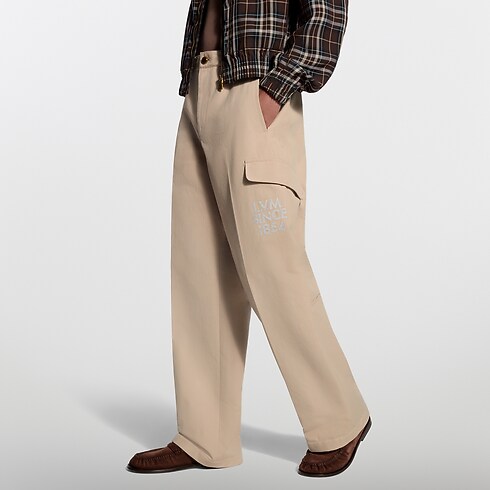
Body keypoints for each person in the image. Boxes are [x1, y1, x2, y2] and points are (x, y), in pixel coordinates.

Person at [127, 0, 371, 477]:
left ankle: (341, 419)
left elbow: (326, 13)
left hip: (254, 94)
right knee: (200, 271)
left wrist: (273, 92)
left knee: (275, 270)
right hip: (201, 87)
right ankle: (205, 436)